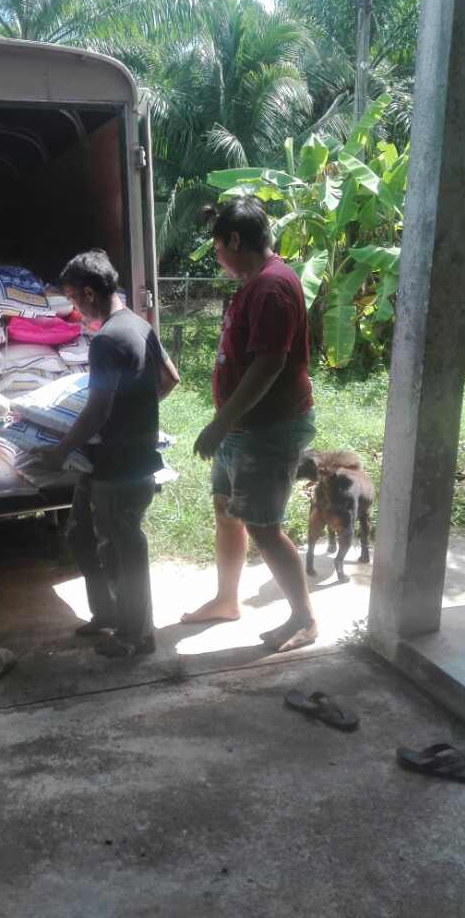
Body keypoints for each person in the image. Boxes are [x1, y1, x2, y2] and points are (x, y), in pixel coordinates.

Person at [180, 197, 318, 653]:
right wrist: (227, 422)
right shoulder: (255, 282)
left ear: (235, 240)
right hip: (242, 427)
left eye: (218, 247)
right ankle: (226, 600)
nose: (217, 256)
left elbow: (269, 364)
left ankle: (304, 619)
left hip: (267, 428)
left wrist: (221, 422)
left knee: (263, 526)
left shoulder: (272, 287)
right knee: (226, 510)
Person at [38, 249, 179, 657]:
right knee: (81, 534)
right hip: (114, 460)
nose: (73, 307)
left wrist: (61, 450)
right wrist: (137, 410)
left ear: (88, 293)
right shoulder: (139, 324)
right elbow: (171, 378)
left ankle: (137, 635)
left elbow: (98, 409)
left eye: (72, 297)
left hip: (120, 465)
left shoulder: (106, 339)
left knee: (123, 546)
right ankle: (108, 613)